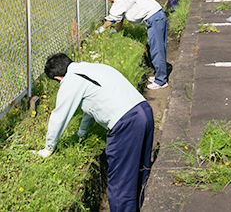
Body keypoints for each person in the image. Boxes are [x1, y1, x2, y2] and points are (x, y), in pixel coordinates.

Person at [37, 53, 154, 212]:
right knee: (140, 171)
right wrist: (82, 131)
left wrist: (49, 147)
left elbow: (60, 115)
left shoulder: (71, 80)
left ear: (58, 78)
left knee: (121, 184)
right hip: (144, 110)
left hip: (127, 123)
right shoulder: (91, 67)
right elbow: (90, 105)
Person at [96, 0, 168, 90]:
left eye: (110, 0)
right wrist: (118, 30)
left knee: (157, 49)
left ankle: (161, 81)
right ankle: (159, 75)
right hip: (156, 16)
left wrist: (101, 29)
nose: (111, 2)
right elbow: (120, 17)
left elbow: (113, 18)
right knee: (157, 47)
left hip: (155, 19)